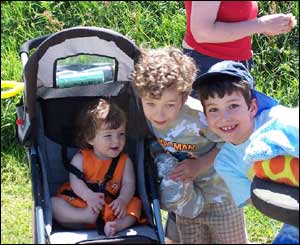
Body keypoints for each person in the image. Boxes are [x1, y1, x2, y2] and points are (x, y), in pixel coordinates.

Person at [131, 47, 248, 244]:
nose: (159, 115)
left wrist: (200, 164)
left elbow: (231, 143)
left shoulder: (200, 117)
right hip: (187, 204)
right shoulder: (144, 117)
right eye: (151, 104)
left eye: (169, 105)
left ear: (184, 97)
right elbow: (153, 143)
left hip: (221, 196)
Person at [192, 60, 299, 240]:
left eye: (233, 106)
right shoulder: (226, 163)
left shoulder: (282, 122)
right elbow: (263, 201)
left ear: (252, 107)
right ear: (206, 117)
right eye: (213, 109)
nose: (224, 118)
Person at [51, 99, 143, 237]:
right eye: (108, 135)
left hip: (111, 208)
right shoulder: (80, 158)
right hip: (83, 204)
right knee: (53, 204)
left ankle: (117, 226)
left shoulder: (125, 161)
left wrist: (122, 201)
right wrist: (88, 197)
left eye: (121, 134)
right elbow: (76, 182)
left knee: (136, 204)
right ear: (90, 138)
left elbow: (129, 185)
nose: (116, 141)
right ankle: (83, 217)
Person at [183, 1, 296, 97]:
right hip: (208, 66)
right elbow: (203, 33)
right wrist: (262, 25)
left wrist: (266, 26)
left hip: (232, 64)